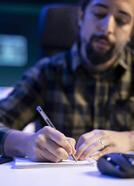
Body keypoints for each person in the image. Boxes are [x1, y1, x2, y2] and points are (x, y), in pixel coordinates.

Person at [0, 0, 134, 162]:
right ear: (81, 17)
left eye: (121, 21)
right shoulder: (46, 72)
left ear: (131, 32)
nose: (107, 29)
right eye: (99, 14)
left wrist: (129, 139)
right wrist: (26, 143)